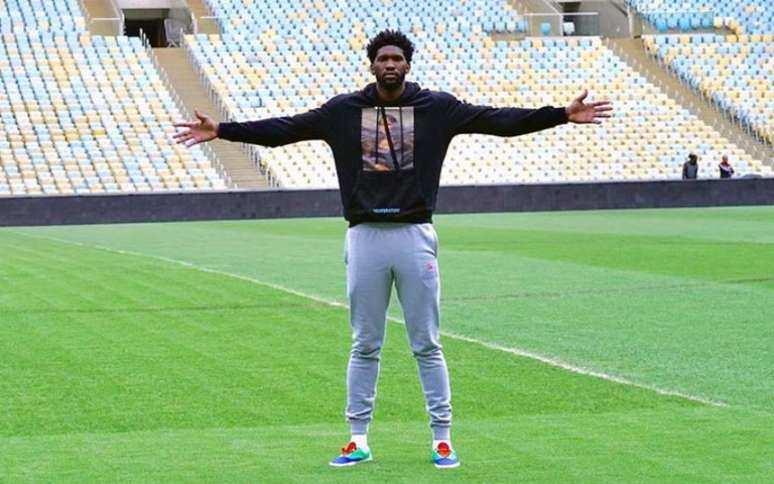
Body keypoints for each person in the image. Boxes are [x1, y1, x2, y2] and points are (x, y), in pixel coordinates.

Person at [173, 29, 612, 469]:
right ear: (371, 64)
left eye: (396, 58)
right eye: (382, 57)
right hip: (364, 236)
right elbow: (285, 130)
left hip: (414, 234)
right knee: (365, 343)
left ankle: (442, 439)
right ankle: (358, 438)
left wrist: (559, 115)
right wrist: (223, 130)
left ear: (407, 64)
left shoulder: (437, 108)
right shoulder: (343, 111)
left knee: (426, 342)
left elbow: (498, 121)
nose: (389, 64)